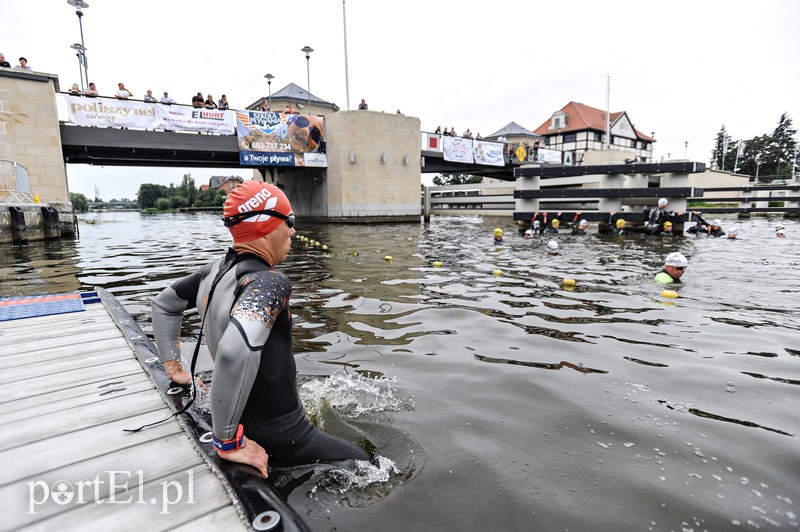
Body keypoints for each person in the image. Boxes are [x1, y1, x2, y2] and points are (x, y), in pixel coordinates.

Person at [151, 181, 370, 475]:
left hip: (242, 418)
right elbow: (232, 353)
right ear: (267, 223)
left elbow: (163, 305)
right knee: (365, 462)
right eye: (289, 221)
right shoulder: (269, 282)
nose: (293, 231)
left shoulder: (213, 272)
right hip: (283, 435)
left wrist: (174, 367)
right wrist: (227, 441)